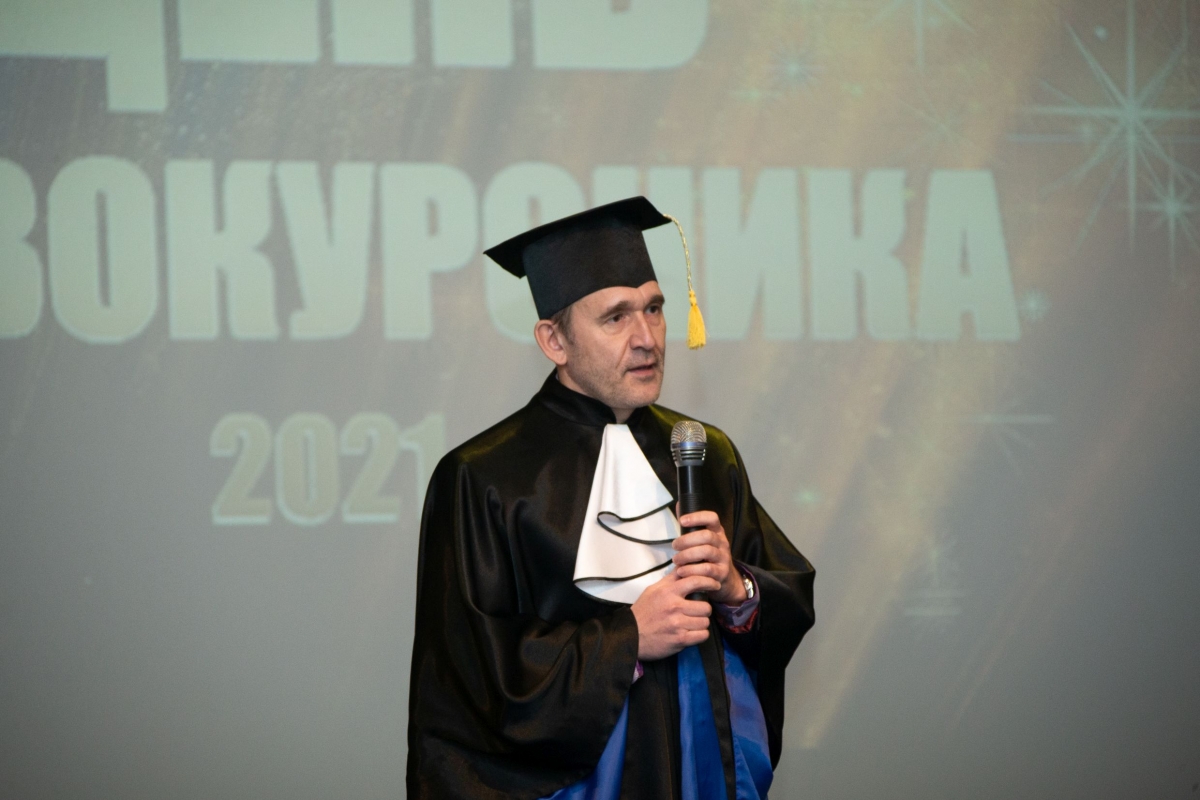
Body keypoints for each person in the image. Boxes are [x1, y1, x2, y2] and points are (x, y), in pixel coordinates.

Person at [406, 197, 815, 799]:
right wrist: (627, 640)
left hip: (702, 773)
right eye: (616, 318)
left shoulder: (706, 453)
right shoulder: (482, 478)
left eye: (654, 309)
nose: (647, 338)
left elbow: (787, 601)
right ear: (554, 340)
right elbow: (471, 681)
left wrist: (737, 589)